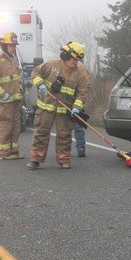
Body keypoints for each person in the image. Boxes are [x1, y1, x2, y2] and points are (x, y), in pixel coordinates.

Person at [27, 41, 90, 169]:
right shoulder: (52, 65)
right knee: (41, 132)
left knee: (65, 135)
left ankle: (63, 159)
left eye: (77, 60)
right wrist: (41, 84)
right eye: (73, 59)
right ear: (66, 56)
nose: (75, 62)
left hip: (64, 110)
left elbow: (81, 94)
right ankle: (35, 159)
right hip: (46, 106)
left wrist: (76, 107)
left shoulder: (80, 74)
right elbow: (35, 73)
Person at [0, 32, 24, 160]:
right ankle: (4, 153)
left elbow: (15, 79)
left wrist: (19, 92)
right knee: (5, 126)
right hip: (4, 102)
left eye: (14, 45)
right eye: (10, 46)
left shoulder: (12, 60)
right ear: (4, 46)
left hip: (15, 100)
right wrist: (3, 95)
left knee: (16, 125)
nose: (13, 48)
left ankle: (13, 151)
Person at [74, 61, 91, 157]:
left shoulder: (81, 67)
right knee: (64, 127)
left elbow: (86, 85)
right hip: (64, 100)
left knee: (78, 125)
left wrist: (79, 95)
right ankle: (64, 150)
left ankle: (80, 148)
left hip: (76, 100)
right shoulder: (61, 65)